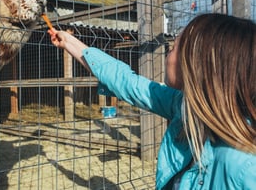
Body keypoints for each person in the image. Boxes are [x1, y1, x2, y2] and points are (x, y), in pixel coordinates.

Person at [47, 13, 255, 189]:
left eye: (173, 47)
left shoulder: (243, 166)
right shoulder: (183, 105)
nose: (168, 53)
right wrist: (69, 42)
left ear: (196, 64)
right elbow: (127, 83)